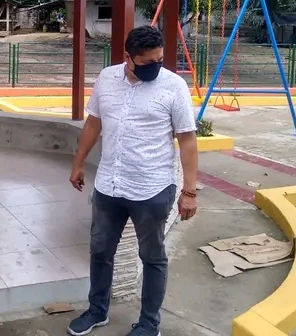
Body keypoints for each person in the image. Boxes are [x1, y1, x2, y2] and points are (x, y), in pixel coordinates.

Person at [67, 25, 198, 336]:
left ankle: (149, 324)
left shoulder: (174, 86)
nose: (156, 66)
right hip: (109, 185)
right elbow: (94, 122)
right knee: (100, 251)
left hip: (152, 188)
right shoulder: (107, 79)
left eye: (159, 60)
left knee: (152, 257)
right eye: (148, 62)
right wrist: (78, 163)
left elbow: (187, 139)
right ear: (128, 57)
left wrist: (190, 191)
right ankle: (97, 310)